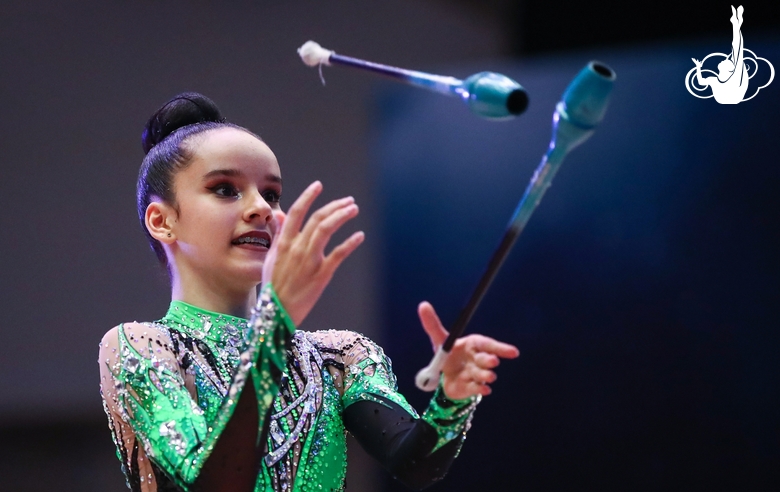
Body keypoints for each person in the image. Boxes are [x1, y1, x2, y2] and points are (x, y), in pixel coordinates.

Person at [98, 92, 519, 492]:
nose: (261, 207)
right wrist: (274, 327)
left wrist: (452, 398)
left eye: (272, 194)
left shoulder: (338, 356)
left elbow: (416, 464)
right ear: (162, 220)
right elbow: (217, 482)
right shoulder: (142, 347)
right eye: (225, 189)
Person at [692, 5, 748, 104]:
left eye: (727, 61)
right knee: (736, 51)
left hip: (734, 96)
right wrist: (698, 67)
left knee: (737, 50)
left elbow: (737, 49)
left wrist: (736, 26)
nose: (724, 59)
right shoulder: (714, 80)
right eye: (727, 60)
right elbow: (701, 82)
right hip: (727, 98)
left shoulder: (734, 77)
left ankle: (736, 24)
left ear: (729, 69)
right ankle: (736, 24)